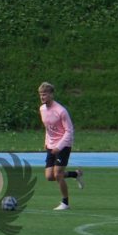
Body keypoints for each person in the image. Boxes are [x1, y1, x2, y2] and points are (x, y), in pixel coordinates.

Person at [38, 82, 84, 210]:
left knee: (58, 174)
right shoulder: (42, 109)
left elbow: (69, 131)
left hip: (64, 145)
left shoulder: (61, 111)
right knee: (49, 176)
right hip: (51, 146)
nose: (42, 97)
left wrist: (59, 146)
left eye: (45, 94)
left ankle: (65, 203)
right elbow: (48, 129)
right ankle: (75, 174)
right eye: (41, 95)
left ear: (51, 95)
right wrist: (46, 142)